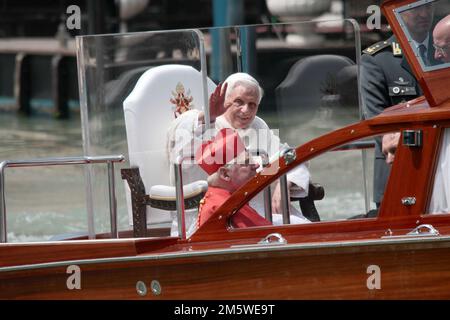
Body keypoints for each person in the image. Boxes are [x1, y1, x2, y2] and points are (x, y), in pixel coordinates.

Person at [168, 72, 311, 229]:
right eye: (239, 102)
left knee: (306, 229)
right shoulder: (203, 124)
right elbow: (182, 151)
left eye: (252, 104)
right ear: (225, 101)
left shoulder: (257, 125)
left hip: (263, 210)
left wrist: (286, 182)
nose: (246, 111)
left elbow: (287, 155)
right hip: (215, 215)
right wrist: (207, 117)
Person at [360, 2, 435, 208]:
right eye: (416, 8)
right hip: (398, 169)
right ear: (397, 13)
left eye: (428, 6)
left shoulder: (444, 52)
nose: (424, 14)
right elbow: (377, 122)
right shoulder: (377, 60)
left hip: (442, 165)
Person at [195, 128, 310, 228]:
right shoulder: (226, 207)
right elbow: (264, 238)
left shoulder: (225, 198)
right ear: (225, 174)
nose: (257, 165)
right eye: (246, 163)